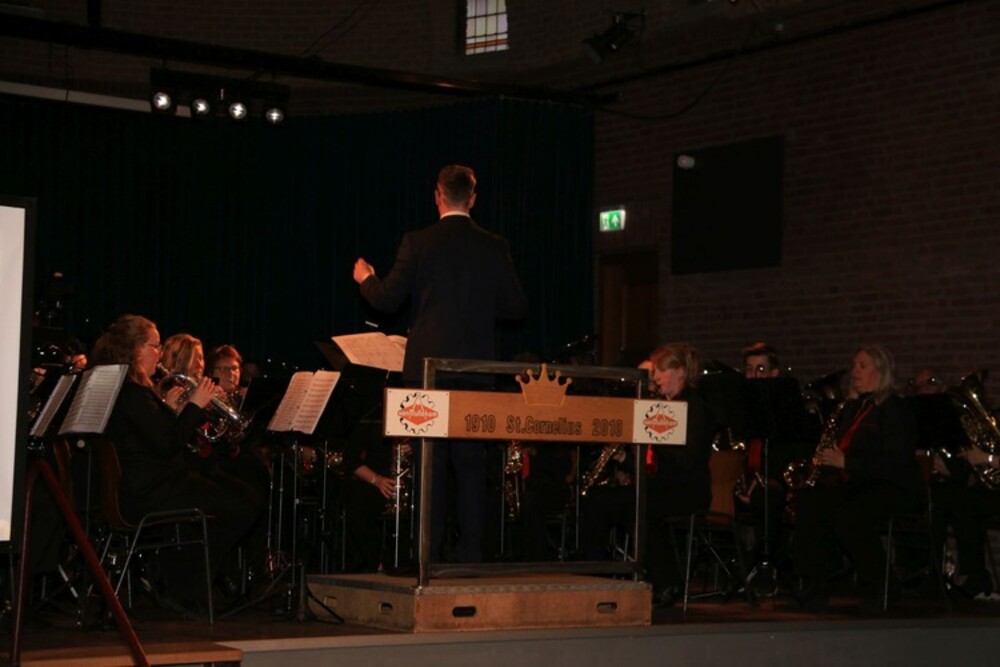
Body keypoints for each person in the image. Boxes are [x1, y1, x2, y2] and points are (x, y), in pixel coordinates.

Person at [352, 164, 526, 563]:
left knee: (430, 464)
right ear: (473, 198)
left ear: (438, 196)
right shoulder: (494, 245)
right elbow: (515, 307)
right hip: (475, 374)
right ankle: (470, 554)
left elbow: (387, 300)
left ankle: (426, 556)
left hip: (428, 373)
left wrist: (366, 278)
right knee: (471, 464)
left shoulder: (418, 242)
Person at [90, 315, 266, 612]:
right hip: (148, 491)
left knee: (245, 497)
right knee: (241, 506)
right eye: (154, 346)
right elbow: (169, 445)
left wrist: (173, 410)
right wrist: (195, 405)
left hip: (154, 483)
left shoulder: (134, 389)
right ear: (136, 349)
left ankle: (186, 581)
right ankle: (186, 586)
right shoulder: (133, 393)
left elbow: (157, 436)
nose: (159, 353)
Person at [789, 344, 924, 611]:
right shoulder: (852, 407)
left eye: (862, 366)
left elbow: (897, 460)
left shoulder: (894, 408)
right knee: (808, 502)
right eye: (854, 366)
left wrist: (847, 462)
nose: (855, 372)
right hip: (857, 482)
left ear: (881, 371)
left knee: (848, 515)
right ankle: (814, 583)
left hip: (892, 485)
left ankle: (882, 584)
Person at [580, 342, 717, 605]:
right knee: (598, 501)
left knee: (637, 508)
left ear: (680, 372)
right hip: (660, 486)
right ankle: (596, 577)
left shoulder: (696, 409)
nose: (655, 377)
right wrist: (626, 460)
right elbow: (654, 465)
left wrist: (658, 434)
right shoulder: (662, 406)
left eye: (660, 371)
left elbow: (686, 463)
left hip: (687, 490)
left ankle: (666, 582)